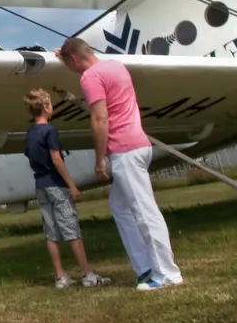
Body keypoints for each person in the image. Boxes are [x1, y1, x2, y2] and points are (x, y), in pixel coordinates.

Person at [57, 37, 183, 291]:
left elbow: (100, 118)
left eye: (68, 63)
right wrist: (65, 56)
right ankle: (145, 268)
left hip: (124, 151)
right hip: (139, 145)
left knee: (144, 212)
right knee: (120, 206)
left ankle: (167, 274)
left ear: (73, 60)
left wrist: (100, 159)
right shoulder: (116, 66)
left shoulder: (89, 78)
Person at [23, 89, 109, 289]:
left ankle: (60, 277)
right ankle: (87, 275)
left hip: (40, 186)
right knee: (72, 231)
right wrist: (72, 185)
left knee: (51, 233)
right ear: (46, 107)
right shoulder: (50, 131)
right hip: (56, 184)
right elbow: (56, 158)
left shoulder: (30, 133)